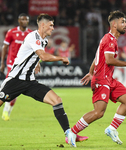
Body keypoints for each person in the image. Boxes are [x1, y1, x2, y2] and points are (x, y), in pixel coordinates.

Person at [0, 13, 88, 145]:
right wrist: (61, 58)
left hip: (30, 82)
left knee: (57, 100)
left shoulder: (44, 40)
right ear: (42, 25)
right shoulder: (32, 36)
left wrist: (37, 63)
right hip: (16, 79)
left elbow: (36, 55)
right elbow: (44, 56)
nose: (53, 28)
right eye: (51, 25)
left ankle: (68, 134)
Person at [66, 10, 126, 147]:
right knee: (99, 112)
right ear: (114, 24)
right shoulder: (109, 39)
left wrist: (91, 72)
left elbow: (97, 57)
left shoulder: (110, 39)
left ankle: (111, 129)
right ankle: (72, 132)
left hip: (108, 79)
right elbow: (109, 60)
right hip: (101, 80)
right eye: (122, 22)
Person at [0, 13, 32, 121]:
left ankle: (7, 109)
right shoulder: (12, 32)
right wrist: (2, 62)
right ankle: (5, 109)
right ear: (19, 21)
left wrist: (37, 63)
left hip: (24, 65)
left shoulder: (30, 34)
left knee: (17, 89)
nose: (24, 21)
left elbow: (35, 50)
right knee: (9, 85)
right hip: (11, 63)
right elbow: (5, 47)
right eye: (22, 19)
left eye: (26, 19)